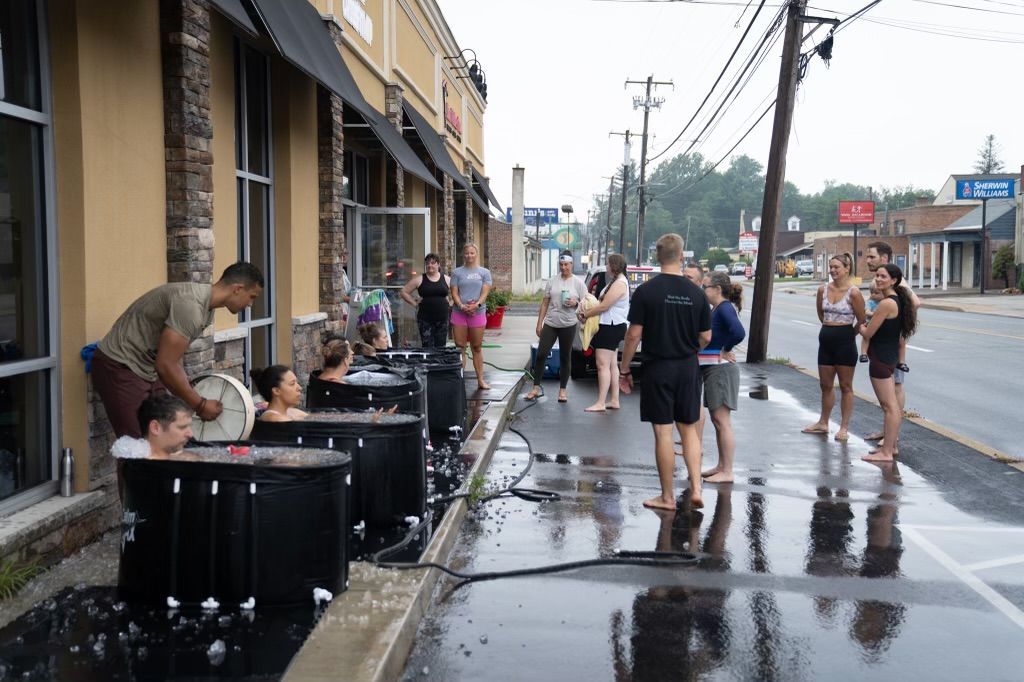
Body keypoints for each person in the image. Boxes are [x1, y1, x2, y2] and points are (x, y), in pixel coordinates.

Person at [92, 262, 264, 438]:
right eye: (252, 297)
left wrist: (190, 398)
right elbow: (166, 365)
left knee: (165, 433)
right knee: (138, 446)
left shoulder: (206, 309)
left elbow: (175, 358)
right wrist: (200, 404)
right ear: (237, 289)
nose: (250, 305)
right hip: (121, 365)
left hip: (147, 368)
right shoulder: (191, 306)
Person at [619, 234, 711, 511]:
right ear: (681, 257)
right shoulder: (697, 292)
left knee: (663, 434)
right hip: (687, 366)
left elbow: (634, 334)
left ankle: (668, 497)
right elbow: (706, 336)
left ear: (657, 258)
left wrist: (624, 369)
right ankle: (696, 488)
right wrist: (688, 348)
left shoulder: (647, 291)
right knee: (690, 432)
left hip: (658, 366)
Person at [801, 253, 865, 442]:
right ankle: (823, 422)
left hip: (845, 341)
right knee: (825, 385)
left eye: (837, 267)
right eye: (831, 267)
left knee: (845, 386)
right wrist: (830, 328)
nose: (833, 270)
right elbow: (821, 314)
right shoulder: (822, 289)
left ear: (847, 269)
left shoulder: (854, 293)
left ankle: (844, 428)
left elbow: (862, 320)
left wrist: (847, 334)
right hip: (826, 340)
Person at [864, 241, 921, 442]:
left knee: (895, 388)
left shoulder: (898, 283)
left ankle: (892, 438)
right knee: (889, 394)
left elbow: (915, 303)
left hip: (891, 347)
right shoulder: (884, 282)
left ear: (884, 259)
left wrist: (899, 329)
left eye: (871, 256)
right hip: (886, 345)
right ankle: (888, 432)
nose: (867, 260)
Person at [699, 271, 746, 484]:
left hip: (720, 370)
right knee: (718, 421)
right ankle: (721, 465)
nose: (703, 290)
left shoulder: (725, 308)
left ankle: (727, 471)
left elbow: (738, 332)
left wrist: (725, 349)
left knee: (722, 421)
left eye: (705, 287)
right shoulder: (717, 309)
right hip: (712, 369)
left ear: (717, 290)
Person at [525, 252, 587, 403]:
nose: (563, 267)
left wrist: (576, 304)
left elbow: (586, 304)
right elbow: (545, 302)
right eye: (561, 265)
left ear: (571, 264)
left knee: (565, 356)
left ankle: (563, 390)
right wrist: (539, 323)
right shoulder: (552, 281)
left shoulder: (578, 283)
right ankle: (536, 387)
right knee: (541, 353)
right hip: (552, 322)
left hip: (569, 323)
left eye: (566, 265)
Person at [578, 254, 629, 412]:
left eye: (608, 264)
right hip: (613, 325)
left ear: (614, 266)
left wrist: (586, 314)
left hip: (610, 326)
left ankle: (600, 402)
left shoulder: (619, 283)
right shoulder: (616, 281)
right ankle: (614, 400)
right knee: (612, 364)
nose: (606, 266)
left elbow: (604, 306)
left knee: (602, 365)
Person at [450, 243, 492, 390]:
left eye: (472, 253)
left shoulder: (484, 272)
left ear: (476, 254)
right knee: (460, 347)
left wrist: (477, 305)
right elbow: (454, 292)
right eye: (467, 253)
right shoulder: (456, 272)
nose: (469, 256)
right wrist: (461, 306)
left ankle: (480, 380)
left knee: (477, 347)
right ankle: (459, 380)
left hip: (477, 312)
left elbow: (485, 292)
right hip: (459, 313)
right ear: (463, 254)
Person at [400, 253, 451, 348]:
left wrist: (451, 302)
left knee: (441, 346)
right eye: (427, 263)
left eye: (433, 263)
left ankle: (439, 363)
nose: (430, 265)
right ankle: (429, 363)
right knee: (427, 346)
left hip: (442, 319)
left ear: (438, 264)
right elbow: (403, 292)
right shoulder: (419, 279)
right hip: (425, 319)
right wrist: (414, 303)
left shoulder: (447, 279)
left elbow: (457, 292)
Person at [138, 394, 194, 459]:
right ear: (155, 428)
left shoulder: (186, 458)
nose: (191, 434)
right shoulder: (139, 467)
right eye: (182, 427)